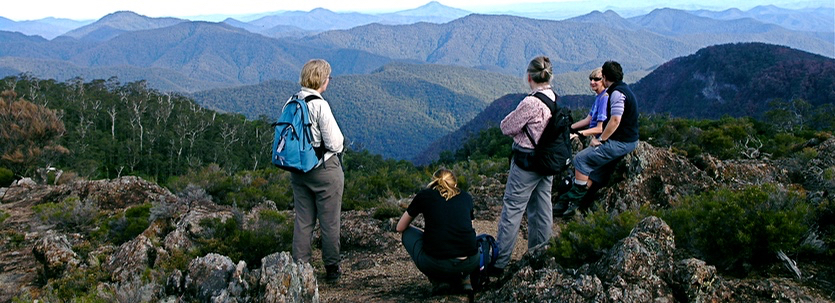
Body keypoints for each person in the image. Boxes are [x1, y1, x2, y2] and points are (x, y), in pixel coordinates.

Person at [491, 56, 557, 277]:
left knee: (513, 209)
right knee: (543, 208)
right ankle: (541, 255)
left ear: (529, 77)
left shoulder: (530, 102)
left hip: (526, 162)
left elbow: (507, 127)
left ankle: (499, 263)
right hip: (546, 162)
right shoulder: (552, 97)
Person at [288, 59, 346, 282]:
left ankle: (300, 268)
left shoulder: (291, 101)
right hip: (324, 170)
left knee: (303, 220)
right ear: (322, 79)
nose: (328, 81)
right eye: (328, 77)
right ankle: (332, 269)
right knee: (329, 221)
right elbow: (335, 143)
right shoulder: (320, 104)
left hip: (298, 169)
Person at [558, 61, 640, 215]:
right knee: (597, 167)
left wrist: (600, 139)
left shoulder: (616, 94)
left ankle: (574, 202)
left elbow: (615, 120)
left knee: (580, 159)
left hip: (622, 142)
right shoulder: (624, 89)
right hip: (627, 140)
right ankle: (573, 204)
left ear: (605, 77)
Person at [396, 168, 478, 296]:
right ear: (455, 184)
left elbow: (400, 227)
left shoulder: (424, 196)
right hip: (470, 262)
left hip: (437, 264)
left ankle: (438, 280)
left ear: (434, 183)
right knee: (467, 239)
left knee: (407, 234)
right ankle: (465, 279)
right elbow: (470, 230)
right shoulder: (466, 197)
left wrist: (425, 233)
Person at [554, 68, 609, 213]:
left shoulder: (604, 99)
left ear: (604, 80)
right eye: (591, 79)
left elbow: (600, 128)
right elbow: (588, 119)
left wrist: (579, 134)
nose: (592, 82)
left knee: (581, 164)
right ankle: (567, 200)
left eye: (596, 79)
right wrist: (568, 128)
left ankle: (573, 202)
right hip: (594, 139)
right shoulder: (599, 98)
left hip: (599, 142)